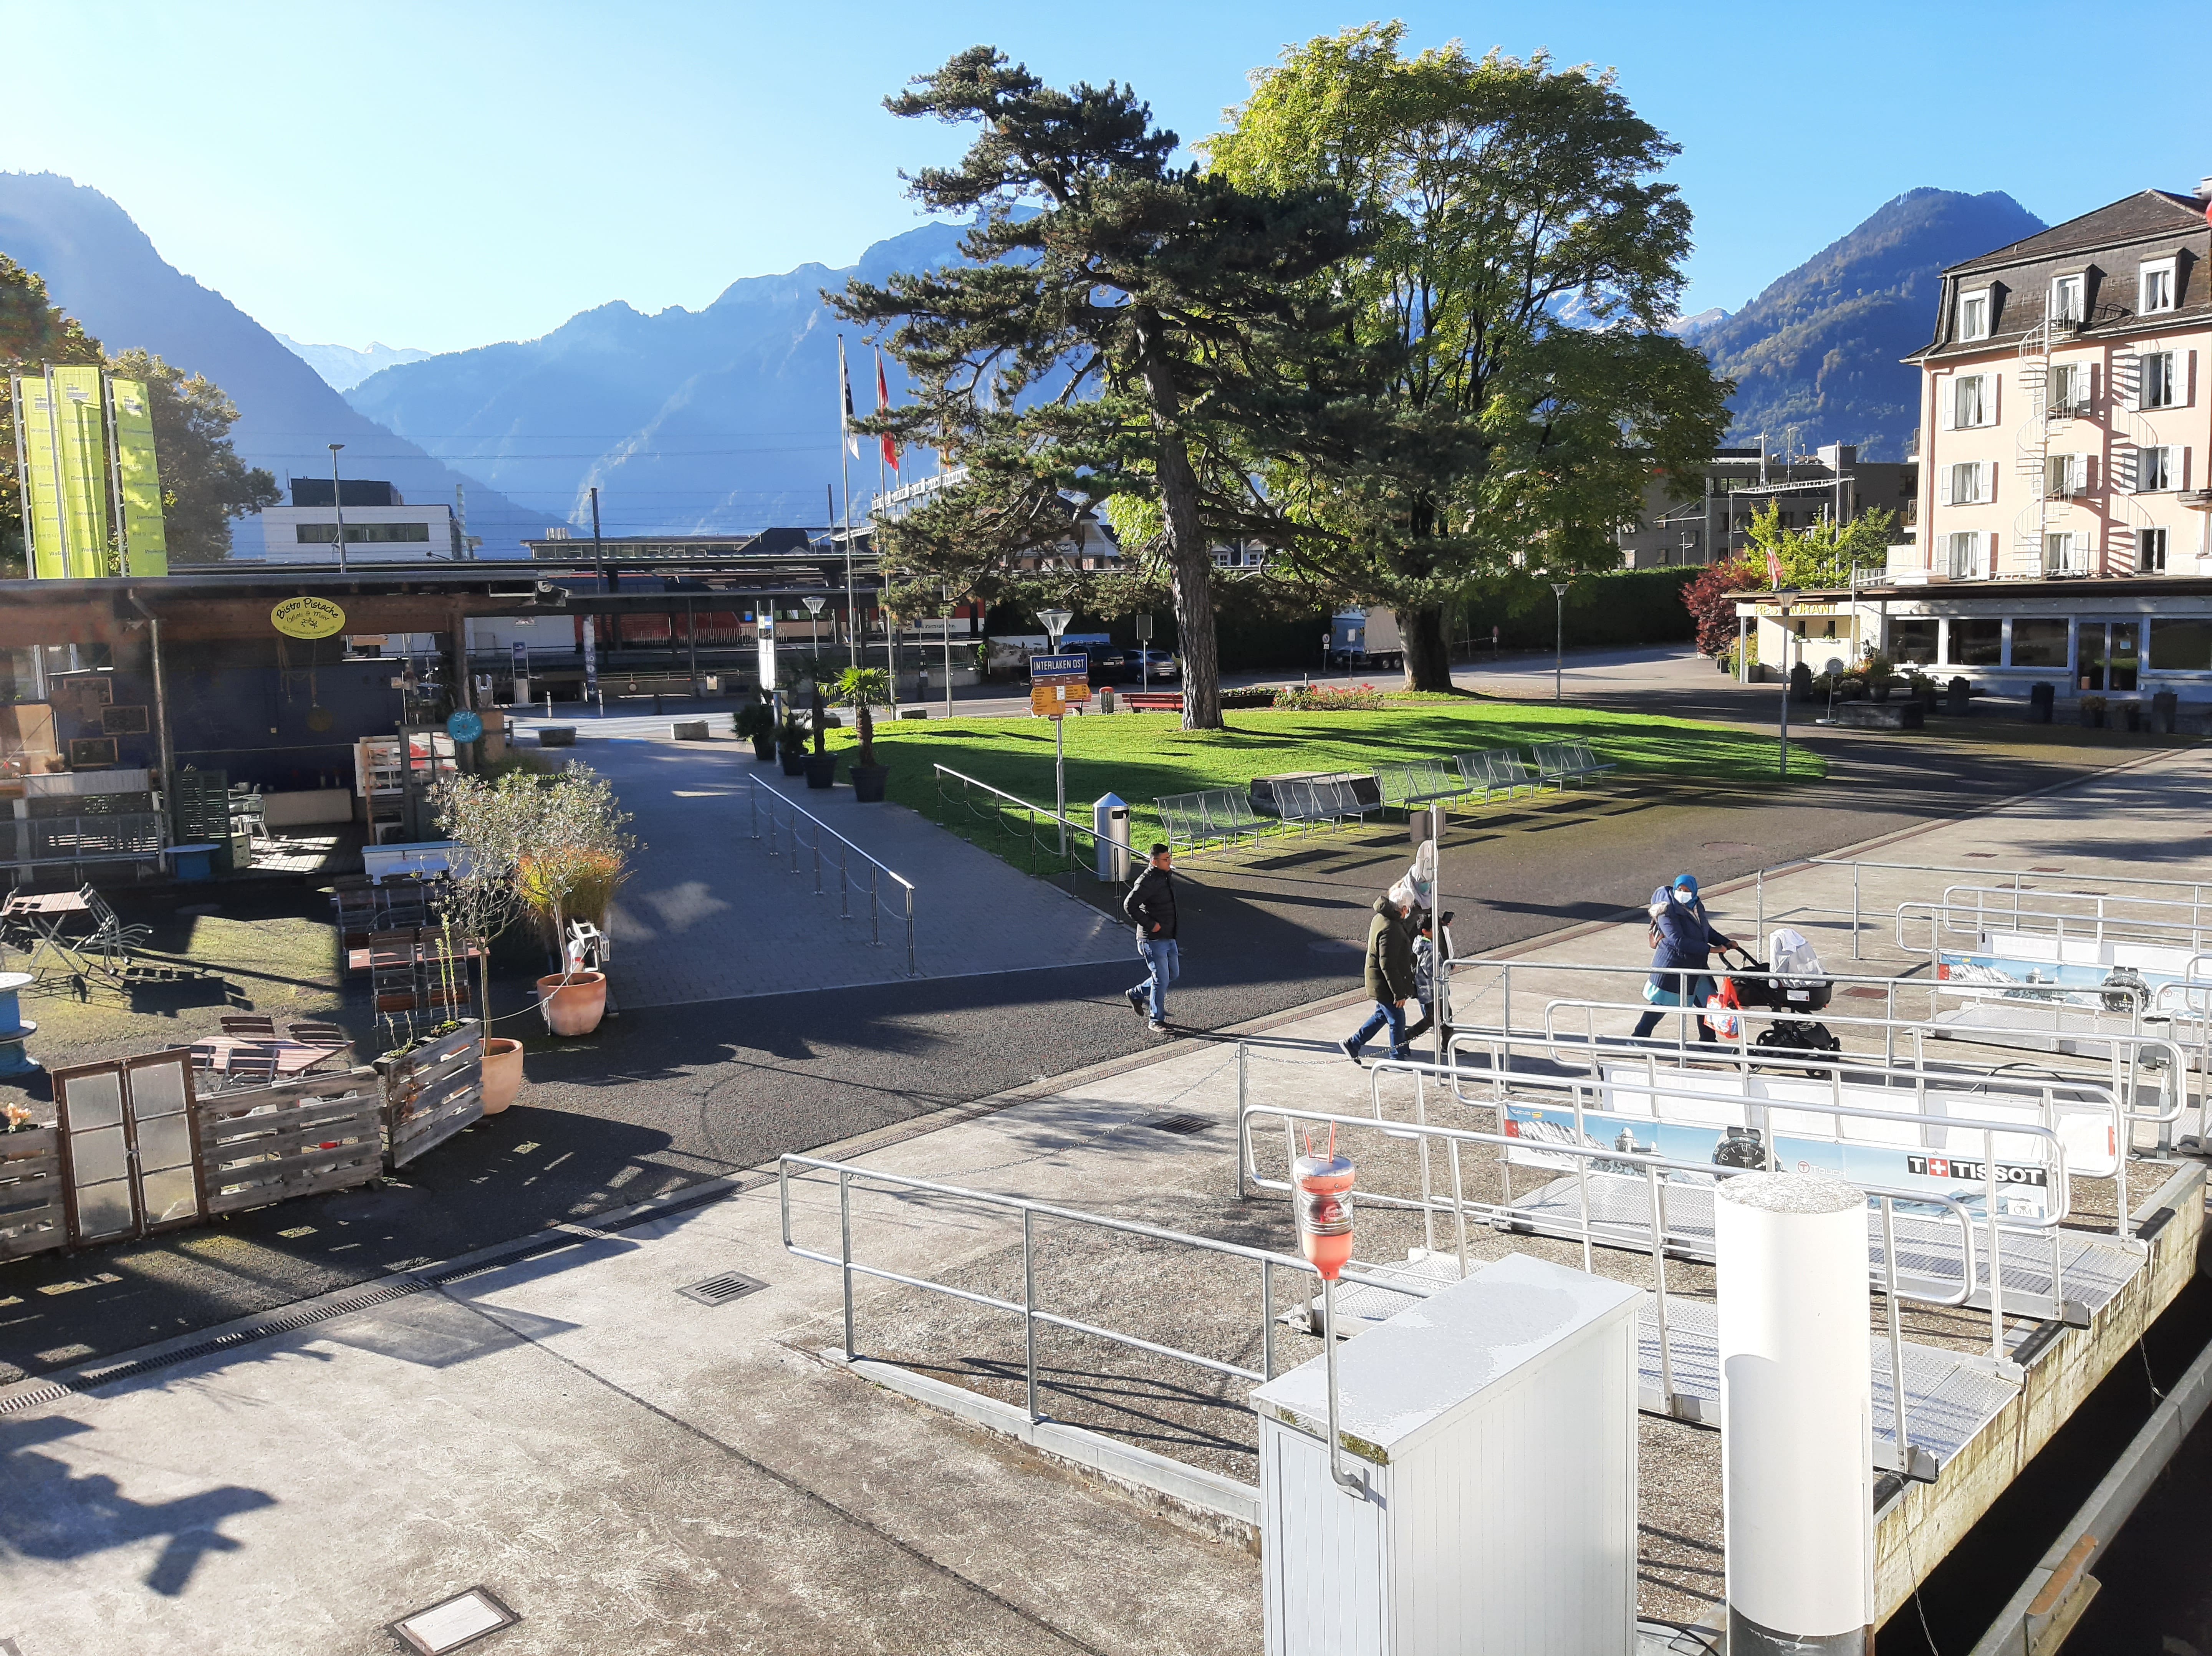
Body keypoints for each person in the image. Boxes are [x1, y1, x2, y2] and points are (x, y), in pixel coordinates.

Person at [1634, 873, 1735, 1042]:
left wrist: (1725, 942)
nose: (1683, 893)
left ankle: (1708, 1042)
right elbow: (1677, 940)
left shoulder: (1696, 905)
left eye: (1687, 890)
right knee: (1663, 1003)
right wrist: (1711, 950)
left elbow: (1706, 931)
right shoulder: (1666, 910)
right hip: (1675, 965)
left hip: (1697, 965)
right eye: (1680, 889)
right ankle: (1639, 1037)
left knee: (1708, 1002)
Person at [1340, 881, 1418, 1064]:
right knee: (1397, 1019)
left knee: (1382, 1015)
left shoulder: (1383, 918)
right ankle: (1396, 1059)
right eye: (1409, 909)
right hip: (1385, 983)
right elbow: (1388, 964)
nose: (1409, 912)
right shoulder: (1391, 928)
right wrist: (1399, 993)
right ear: (1404, 908)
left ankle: (1353, 1044)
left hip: (1379, 980)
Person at [1123, 843, 1178, 1033]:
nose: (1170, 861)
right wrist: (1152, 925)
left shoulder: (1164, 875)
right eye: (1166, 859)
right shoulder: (1147, 880)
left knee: (1172, 975)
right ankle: (1156, 1020)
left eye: (1170, 857)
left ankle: (1136, 993)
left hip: (1169, 936)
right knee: (1161, 979)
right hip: (1152, 940)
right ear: (1154, 862)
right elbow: (1130, 905)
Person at [1402, 909, 1455, 1046]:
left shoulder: (1423, 944)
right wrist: (1444, 965)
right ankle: (1406, 1037)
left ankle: (1448, 1044)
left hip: (1435, 990)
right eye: (1434, 930)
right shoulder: (1429, 948)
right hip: (1431, 991)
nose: (1436, 932)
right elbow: (1428, 968)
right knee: (1432, 1019)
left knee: (1446, 1016)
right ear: (1425, 931)